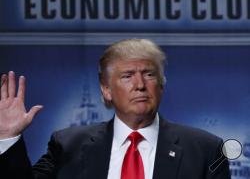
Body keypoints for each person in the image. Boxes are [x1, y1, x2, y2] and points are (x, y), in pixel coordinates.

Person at [0, 39, 231, 179]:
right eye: (127, 76)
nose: (140, 85)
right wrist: (8, 137)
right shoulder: (67, 146)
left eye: (149, 74)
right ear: (106, 90)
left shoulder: (206, 150)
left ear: (162, 85)